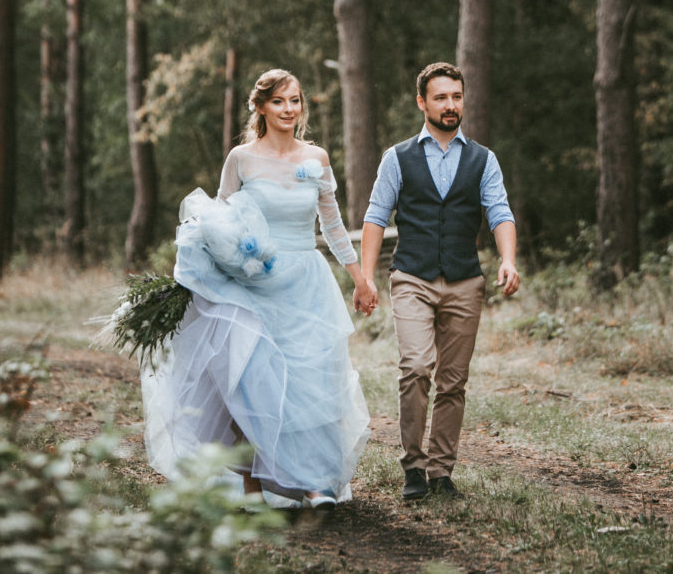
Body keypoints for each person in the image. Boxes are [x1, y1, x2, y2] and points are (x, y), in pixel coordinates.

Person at [141, 68, 375, 511]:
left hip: (306, 282)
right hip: (251, 285)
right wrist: (202, 272)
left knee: (309, 380)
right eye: (280, 102)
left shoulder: (318, 158)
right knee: (249, 381)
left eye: (296, 101)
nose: (289, 110)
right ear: (261, 107)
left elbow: (333, 224)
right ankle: (251, 486)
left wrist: (359, 277)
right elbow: (219, 222)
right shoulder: (241, 158)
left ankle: (312, 482)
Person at [354, 62, 520, 500]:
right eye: (441, 97)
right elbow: (375, 216)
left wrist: (508, 260)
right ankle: (413, 467)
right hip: (412, 276)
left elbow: (500, 212)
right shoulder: (398, 157)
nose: (450, 105)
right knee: (416, 368)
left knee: (452, 380)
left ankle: (441, 473)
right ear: (422, 102)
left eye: (456, 96)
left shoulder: (483, 160)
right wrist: (366, 278)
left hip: (465, 281)